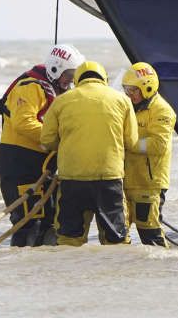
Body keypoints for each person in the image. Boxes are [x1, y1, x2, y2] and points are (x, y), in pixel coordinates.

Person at [0, 43, 83, 247]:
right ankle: (21, 270)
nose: (70, 80)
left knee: (50, 221)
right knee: (28, 222)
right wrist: (58, 140)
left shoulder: (59, 90)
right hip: (18, 163)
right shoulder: (31, 87)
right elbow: (24, 122)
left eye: (73, 76)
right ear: (55, 69)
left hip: (40, 164)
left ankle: (41, 272)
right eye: (68, 75)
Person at [40, 60, 138, 246]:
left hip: (72, 181)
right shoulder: (122, 100)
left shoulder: (61, 101)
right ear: (104, 79)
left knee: (68, 241)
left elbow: (47, 140)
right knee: (116, 241)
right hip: (109, 180)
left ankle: (73, 274)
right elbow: (131, 142)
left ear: (77, 80)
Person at [120, 62, 175, 247]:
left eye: (133, 90)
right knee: (120, 232)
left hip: (149, 184)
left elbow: (158, 144)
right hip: (126, 180)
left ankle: (162, 270)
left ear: (147, 87)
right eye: (126, 89)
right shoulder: (128, 107)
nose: (129, 94)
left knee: (150, 233)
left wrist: (130, 144)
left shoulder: (162, 110)